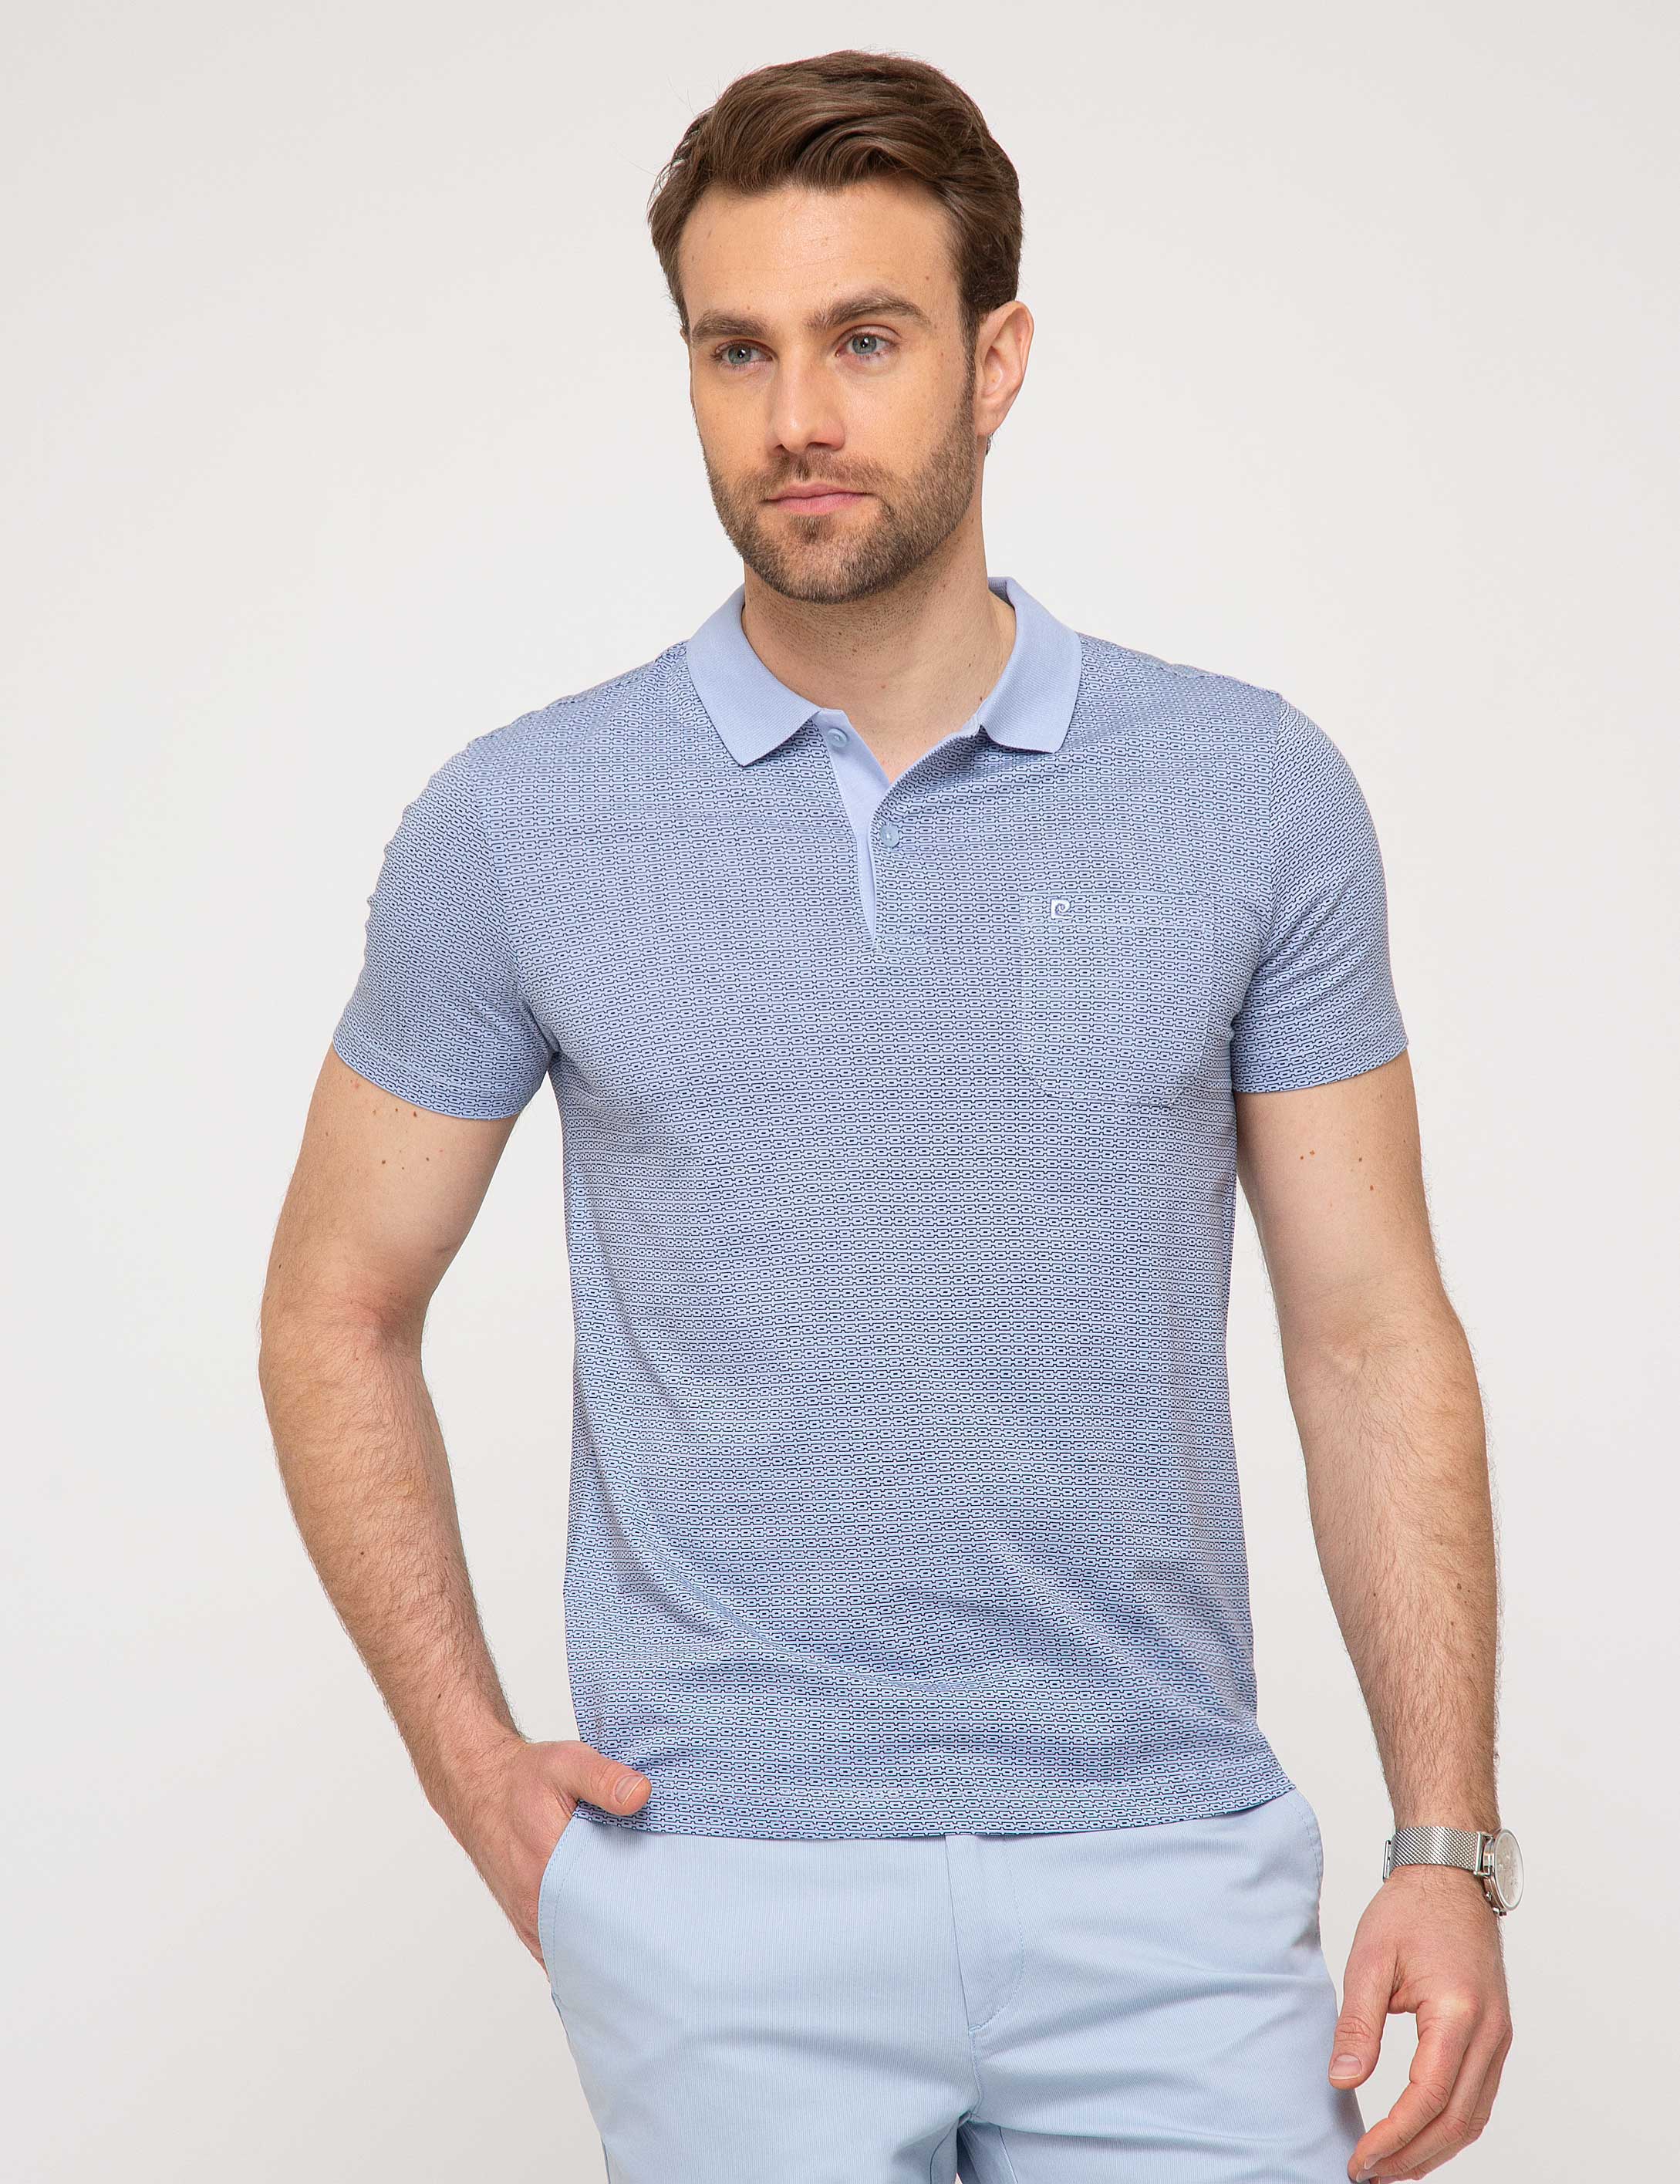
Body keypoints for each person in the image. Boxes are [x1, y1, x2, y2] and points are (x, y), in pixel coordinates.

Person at [258, 46, 1516, 2184]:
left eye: (863, 339)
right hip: (721, 1898)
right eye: (735, 350)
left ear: (994, 361)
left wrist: (1446, 1841)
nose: (796, 419)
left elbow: (1371, 1332)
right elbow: (330, 1307)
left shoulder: (1248, 794)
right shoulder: (520, 824)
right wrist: (475, 1771)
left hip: (1164, 1881)